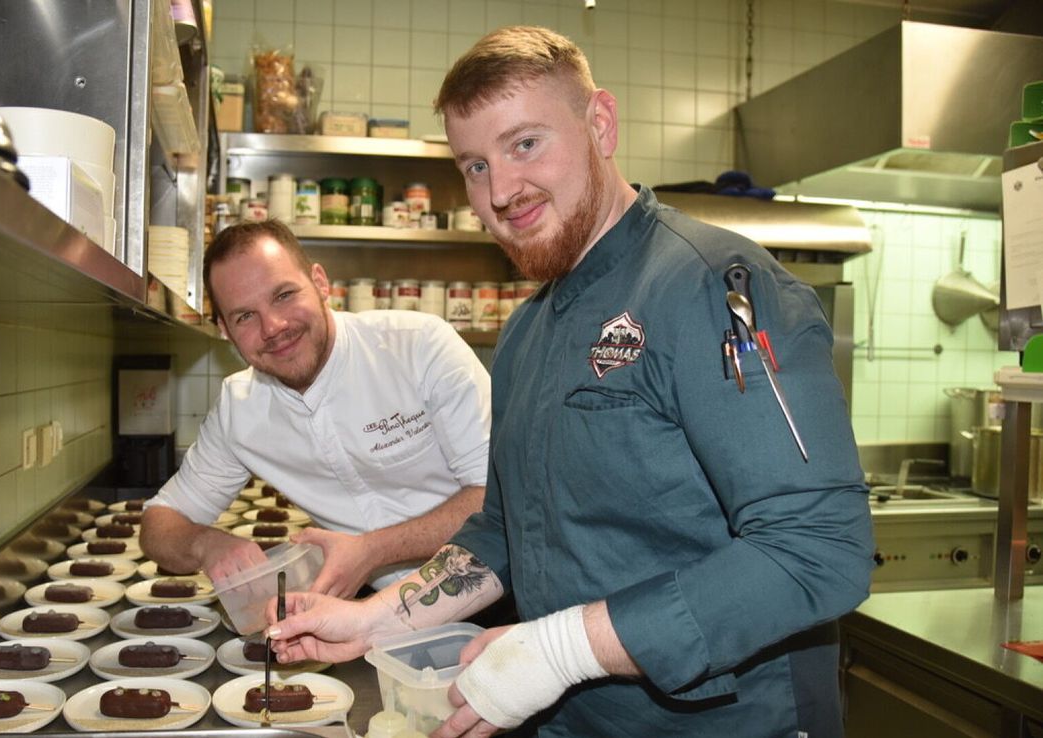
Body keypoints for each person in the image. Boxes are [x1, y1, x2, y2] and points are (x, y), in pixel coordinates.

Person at [266, 26, 874, 738]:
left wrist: (558, 651)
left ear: (601, 124)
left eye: (525, 144)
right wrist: (374, 619)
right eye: (475, 165)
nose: (502, 191)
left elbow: (818, 551)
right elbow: (505, 532)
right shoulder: (526, 333)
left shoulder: (710, 287)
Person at [139, 219, 492, 598]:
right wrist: (206, 545)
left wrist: (371, 551)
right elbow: (158, 524)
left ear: (320, 283)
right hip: (375, 611)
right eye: (245, 316)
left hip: (492, 594)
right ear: (225, 329)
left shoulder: (418, 347)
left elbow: (495, 497)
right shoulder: (239, 410)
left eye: (284, 295)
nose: (272, 327)